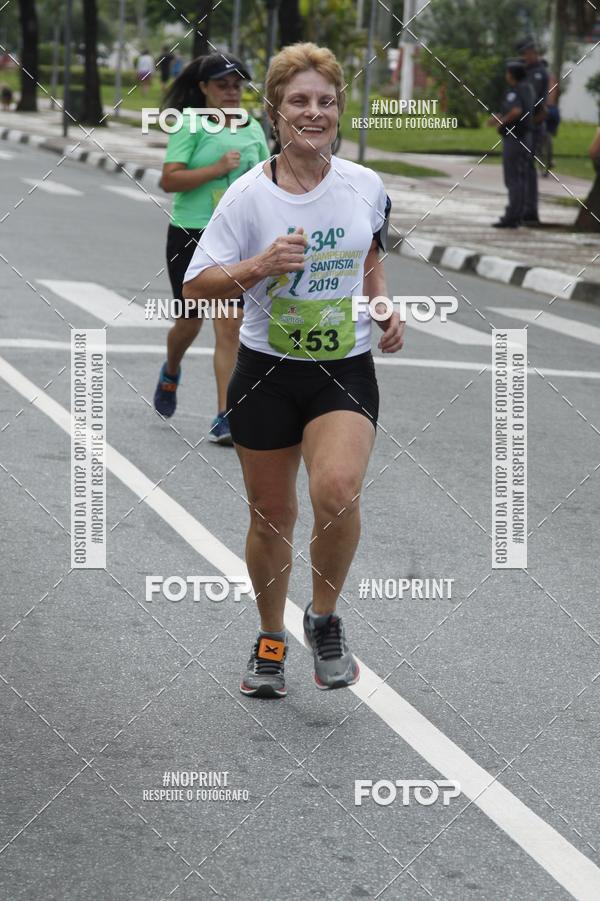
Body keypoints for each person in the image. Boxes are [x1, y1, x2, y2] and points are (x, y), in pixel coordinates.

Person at [183, 43, 405, 698]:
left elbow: (370, 260)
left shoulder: (365, 186)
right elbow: (197, 286)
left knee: (336, 490)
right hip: (266, 372)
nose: (314, 112)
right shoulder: (250, 197)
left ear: (339, 108)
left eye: (326, 101)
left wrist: (384, 307)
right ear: (276, 112)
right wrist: (258, 267)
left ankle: (326, 617)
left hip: (342, 368)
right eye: (299, 101)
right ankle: (271, 637)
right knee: (271, 515)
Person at [154, 53, 270, 444]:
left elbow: (267, 182)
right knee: (189, 323)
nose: (232, 91)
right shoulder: (189, 124)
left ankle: (226, 414)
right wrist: (218, 169)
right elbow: (169, 182)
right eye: (223, 84)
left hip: (235, 240)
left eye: (237, 84)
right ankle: (171, 369)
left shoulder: (253, 128)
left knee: (230, 325)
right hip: (190, 233)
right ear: (203, 88)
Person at [487, 60, 534, 229]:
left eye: (508, 72)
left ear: (512, 75)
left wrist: (501, 121)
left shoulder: (514, 91)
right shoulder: (527, 89)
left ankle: (512, 215)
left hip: (515, 137)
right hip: (526, 136)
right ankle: (518, 214)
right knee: (520, 178)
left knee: (512, 178)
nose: (506, 75)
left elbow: (516, 110)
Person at [517, 36, 549, 224]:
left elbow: (533, 101)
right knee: (522, 168)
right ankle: (523, 207)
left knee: (528, 168)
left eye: (527, 53)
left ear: (533, 53)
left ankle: (530, 210)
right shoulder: (526, 71)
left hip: (533, 125)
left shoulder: (538, 73)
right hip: (524, 125)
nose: (525, 57)